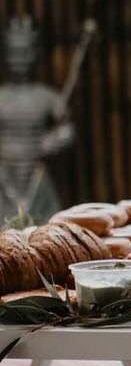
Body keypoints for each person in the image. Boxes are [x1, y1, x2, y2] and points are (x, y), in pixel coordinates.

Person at [0, 17, 73, 223]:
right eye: (15, 53)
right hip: (4, 177)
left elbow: (66, 127)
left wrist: (56, 139)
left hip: (37, 174)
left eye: (25, 53)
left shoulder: (46, 96)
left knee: (45, 227)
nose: (20, 60)